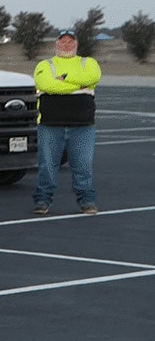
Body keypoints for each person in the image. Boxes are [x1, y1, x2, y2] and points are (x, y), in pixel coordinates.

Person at [32, 30, 101, 215]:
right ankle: (42, 200)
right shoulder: (44, 65)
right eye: (63, 41)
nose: (67, 45)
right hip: (50, 126)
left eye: (71, 41)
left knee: (83, 166)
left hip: (83, 127)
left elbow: (92, 78)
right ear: (56, 44)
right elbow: (46, 85)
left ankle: (87, 201)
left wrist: (65, 78)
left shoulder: (89, 63)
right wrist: (78, 85)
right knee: (47, 165)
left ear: (76, 44)